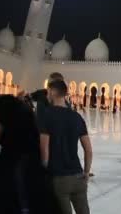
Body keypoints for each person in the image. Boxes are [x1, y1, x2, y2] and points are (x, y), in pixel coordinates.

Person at [0, 95, 60, 214]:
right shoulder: (26, 155)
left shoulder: (13, 165)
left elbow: (4, 203)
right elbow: (5, 197)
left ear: (6, 124)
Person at [40, 80, 92, 214]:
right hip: (78, 177)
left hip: (59, 179)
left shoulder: (46, 115)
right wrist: (86, 172)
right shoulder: (77, 117)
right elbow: (88, 150)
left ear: (52, 92)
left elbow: (44, 149)